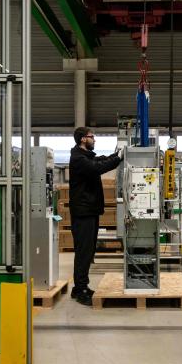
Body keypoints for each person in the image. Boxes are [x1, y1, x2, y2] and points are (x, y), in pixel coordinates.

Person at [69, 127, 122, 306]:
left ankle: (79, 287)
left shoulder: (84, 156)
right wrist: (119, 159)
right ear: (84, 139)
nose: (95, 140)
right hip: (83, 212)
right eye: (92, 137)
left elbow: (100, 159)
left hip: (89, 211)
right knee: (84, 252)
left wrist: (116, 154)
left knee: (87, 251)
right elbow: (97, 167)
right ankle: (81, 290)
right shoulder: (78, 159)